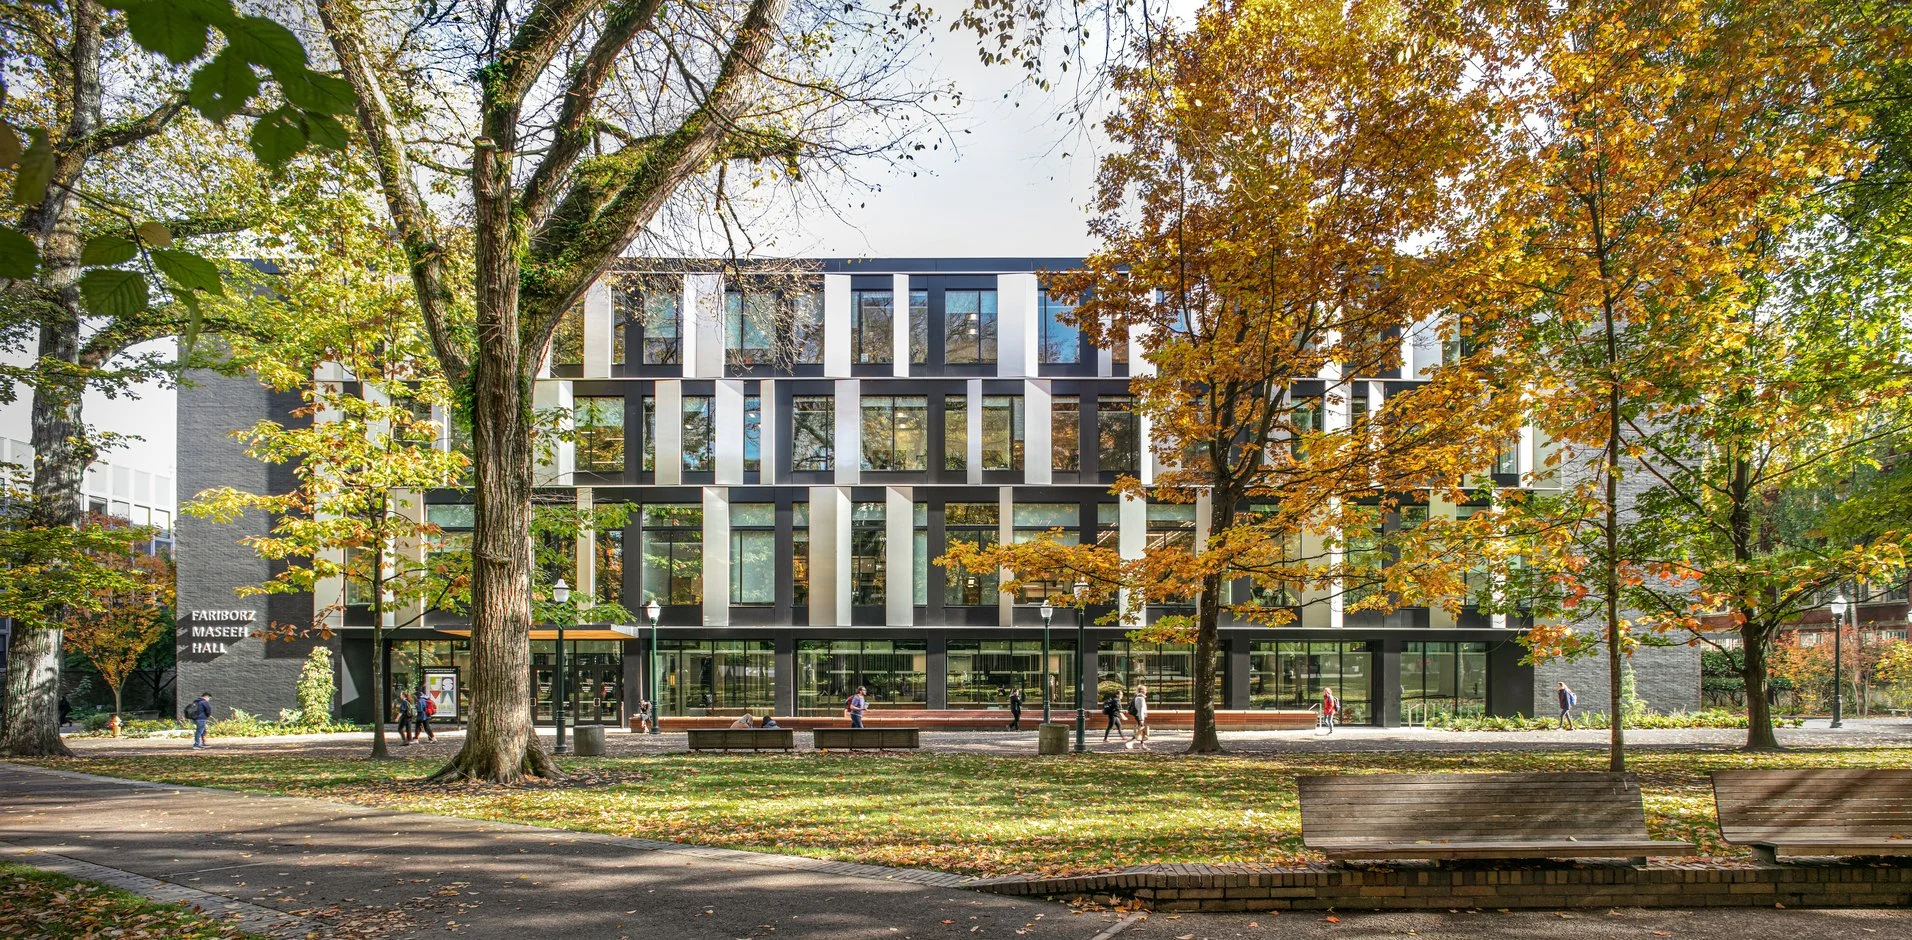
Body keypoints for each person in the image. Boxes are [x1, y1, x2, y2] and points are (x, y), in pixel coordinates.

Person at [1126, 684, 1150, 749]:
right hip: (1140, 716)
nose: (1146, 691)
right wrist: (1141, 719)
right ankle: (1136, 743)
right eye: (1145, 690)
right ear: (1142, 690)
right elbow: (1141, 709)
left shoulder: (1138, 697)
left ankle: (1141, 744)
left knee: (1140, 731)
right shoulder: (1140, 699)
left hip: (1139, 716)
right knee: (1141, 731)